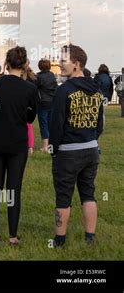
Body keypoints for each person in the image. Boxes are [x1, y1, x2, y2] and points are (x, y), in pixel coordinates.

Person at [49, 44, 104, 247]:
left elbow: (56, 124)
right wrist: (91, 138)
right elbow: (100, 124)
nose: (60, 65)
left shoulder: (64, 91)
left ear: (77, 64)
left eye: (64, 61)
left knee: (63, 197)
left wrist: (54, 149)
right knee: (88, 193)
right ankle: (90, 238)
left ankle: (59, 240)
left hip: (68, 152)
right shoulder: (96, 90)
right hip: (91, 149)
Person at [0, 46, 38, 246]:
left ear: (6, 63)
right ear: (25, 64)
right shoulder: (30, 89)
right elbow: (30, 118)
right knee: (14, 190)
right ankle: (13, 235)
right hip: (17, 145)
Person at [36, 59, 58, 152]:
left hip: (43, 102)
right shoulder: (52, 75)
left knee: (43, 124)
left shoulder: (38, 77)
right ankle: (50, 145)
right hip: (52, 101)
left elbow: (35, 88)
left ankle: (45, 146)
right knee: (50, 123)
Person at [23, 66, 37, 154]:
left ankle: (29, 146)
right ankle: (30, 147)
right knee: (29, 127)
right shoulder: (33, 78)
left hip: (23, 104)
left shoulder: (24, 80)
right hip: (30, 105)